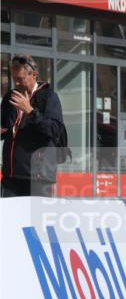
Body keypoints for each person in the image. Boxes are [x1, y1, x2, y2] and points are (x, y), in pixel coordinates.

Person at [1, 54, 64, 197]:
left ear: (34, 75)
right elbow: (6, 128)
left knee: (37, 219)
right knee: (9, 218)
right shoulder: (10, 97)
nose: (16, 83)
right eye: (14, 78)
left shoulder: (48, 97)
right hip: (11, 176)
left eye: (20, 79)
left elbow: (54, 130)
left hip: (39, 178)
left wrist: (30, 111)